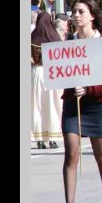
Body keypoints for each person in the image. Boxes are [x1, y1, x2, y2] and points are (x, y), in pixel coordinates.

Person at [57, 0, 102, 203]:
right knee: (71, 154)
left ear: (92, 15)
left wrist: (89, 89)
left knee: (101, 156)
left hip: (96, 105)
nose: (76, 15)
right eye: (74, 11)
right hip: (73, 105)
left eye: (81, 11)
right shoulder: (69, 43)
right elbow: (61, 71)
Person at [31, 12, 63, 150]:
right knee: (53, 105)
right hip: (52, 73)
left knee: (37, 106)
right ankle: (52, 138)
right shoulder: (54, 38)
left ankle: (39, 139)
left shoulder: (32, 38)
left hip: (36, 73)